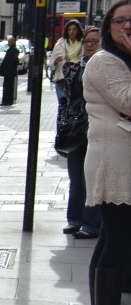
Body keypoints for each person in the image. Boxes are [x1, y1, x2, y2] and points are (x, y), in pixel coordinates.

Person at [82, 0, 131, 305]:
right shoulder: (104, 62)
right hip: (114, 159)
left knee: (112, 238)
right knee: (118, 240)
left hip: (122, 155)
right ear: (109, 25)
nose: (127, 26)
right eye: (120, 21)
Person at [59, 27, 103, 239]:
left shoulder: (107, 68)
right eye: (87, 42)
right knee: (75, 177)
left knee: (90, 179)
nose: (90, 45)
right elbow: (67, 98)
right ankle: (74, 219)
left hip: (97, 128)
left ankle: (91, 223)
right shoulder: (74, 67)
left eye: (95, 41)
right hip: (76, 128)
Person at [50, 19, 84, 103]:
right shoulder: (60, 44)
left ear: (78, 30)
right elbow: (51, 65)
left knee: (74, 107)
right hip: (62, 80)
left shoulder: (83, 44)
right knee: (62, 106)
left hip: (77, 81)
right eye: (69, 29)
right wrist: (55, 62)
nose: (72, 32)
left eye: (74, 29)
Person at [0, 36, 19, 106]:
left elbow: (13, 61)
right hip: (7, 72)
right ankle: (5, 101)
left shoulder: (14, 50)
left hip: (10, 72)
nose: (8, 43)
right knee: (6, 86)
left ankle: (7, 101)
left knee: (9, 87)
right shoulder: (10, 50)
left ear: (14, 42)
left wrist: (8, 68)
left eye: (10, 42)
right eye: (8, 41)